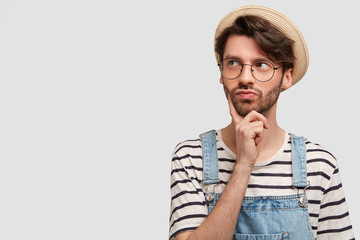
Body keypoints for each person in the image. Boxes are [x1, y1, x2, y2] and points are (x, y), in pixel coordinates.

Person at [169, 5, 355, 240]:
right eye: (234, 63)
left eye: (261, 65)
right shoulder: (191, 157)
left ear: (287, 76)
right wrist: (244, 165)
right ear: (221, 73)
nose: (245, 77)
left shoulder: (318, 165)